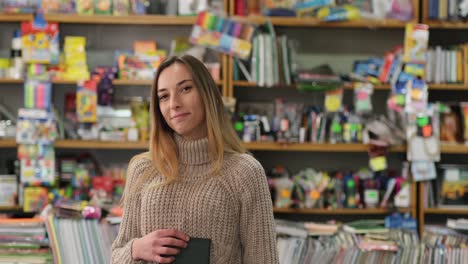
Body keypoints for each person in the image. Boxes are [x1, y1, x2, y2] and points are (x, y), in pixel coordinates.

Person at [111, 54, 279, 264]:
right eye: (163, 96)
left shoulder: (244, 172)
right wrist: (135, 249)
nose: (174, 104)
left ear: (206, 94)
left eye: (185, 89)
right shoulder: (143, 168)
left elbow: (264, 260)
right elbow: (116, 254)